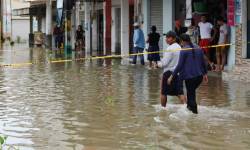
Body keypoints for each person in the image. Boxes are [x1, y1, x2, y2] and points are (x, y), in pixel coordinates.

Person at [168, 34, 208, 114]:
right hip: (199, 77)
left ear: (182, 41)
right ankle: (189, 110)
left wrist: (172, 76)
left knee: (191, 96)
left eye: (180, 42)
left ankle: (194, 115)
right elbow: (204, 61)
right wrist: (205, 74)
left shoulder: (184, 50)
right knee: (191, 93)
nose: (180, 44)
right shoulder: (198, 47)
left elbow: (179, 65)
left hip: (190, 78)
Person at [158, 31, 186, 107]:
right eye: (166, 37)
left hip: (168, 73)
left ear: (174, 39)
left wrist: (157, 64)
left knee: (163, 92)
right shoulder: (180, 47)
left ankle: (163, 109)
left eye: (168, 37)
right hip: (178, 73)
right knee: (180, 93)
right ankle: (186, 107)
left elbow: (164, 63)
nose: (166, 39)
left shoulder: (170, 48)